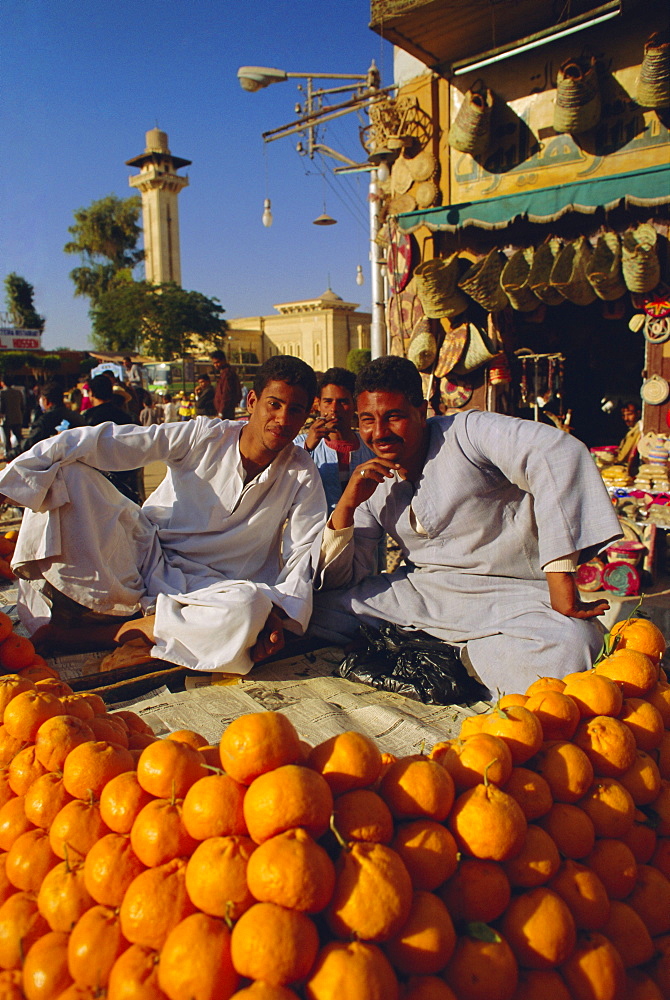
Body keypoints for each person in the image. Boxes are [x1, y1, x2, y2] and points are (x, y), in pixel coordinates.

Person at [310, 356, 622, 696]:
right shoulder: (373, 479)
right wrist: (347, 505)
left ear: (423, 409)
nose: (379, 433)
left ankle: (456, 657)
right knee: (314, 613)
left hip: (512, 596)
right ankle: (450, 654)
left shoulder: (466, 433)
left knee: (573, 645)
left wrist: (561, 577)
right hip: (424, 594)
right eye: (367, 420)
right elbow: (343, 578)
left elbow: (558, 452)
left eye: (394, 417)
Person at [0, 356, 326, 674]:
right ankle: (159, 634)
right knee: (64, 476)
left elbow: (302, 554)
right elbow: (115, 441)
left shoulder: (302, 473)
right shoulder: (203, 435)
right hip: (145, 557)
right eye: (274, 405)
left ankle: (95, 636)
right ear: (252, 401)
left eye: (295, 410)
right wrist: (13, 480)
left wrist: (279, 615)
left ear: (306, 416)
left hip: (217, 590)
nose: (283, 419)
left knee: (248, 609)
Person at [294, 367, 375, 512]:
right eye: (328, 401)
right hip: (317, 529)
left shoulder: (370, 447)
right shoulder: (298, 445)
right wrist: (307, 448)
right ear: (318, 404)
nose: (334, 409)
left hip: (364, 530)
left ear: (355, 404)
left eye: (342, 401)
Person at [82, 374, 143, 504]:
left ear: (91, 393)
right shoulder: (126, 418)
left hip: (97, 483)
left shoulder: (87, 419)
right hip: (124, 480)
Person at [20, 384, 80, 454]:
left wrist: (9, 454)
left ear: (46, 400)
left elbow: (29, 443)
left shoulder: (44, 420)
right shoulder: (76, 416)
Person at [212, 350, 242, 419]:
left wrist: (221, 413)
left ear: (224, 360)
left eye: (217, 362)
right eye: (214, 363)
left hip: (225, 413)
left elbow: (226, 394)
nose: (215, 365)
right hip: (223, 411)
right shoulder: (223, 373)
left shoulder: (227, 374)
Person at [0, 378, 24, 456]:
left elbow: (1, 407)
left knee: (7, 439)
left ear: (3, 383)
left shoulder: (2, 393)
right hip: (17, 417)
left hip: (6, 418)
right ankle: (23, 451)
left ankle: (8, 454)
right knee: (19, 437)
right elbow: (22, 405)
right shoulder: (18, 392)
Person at [616, 401, 642, 471]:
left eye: (629, 414)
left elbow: (622, 457)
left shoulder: (637, 431)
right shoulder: (631, 430)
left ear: (638, 413)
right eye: (624, 415)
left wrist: (613, 460)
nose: (626, 418)